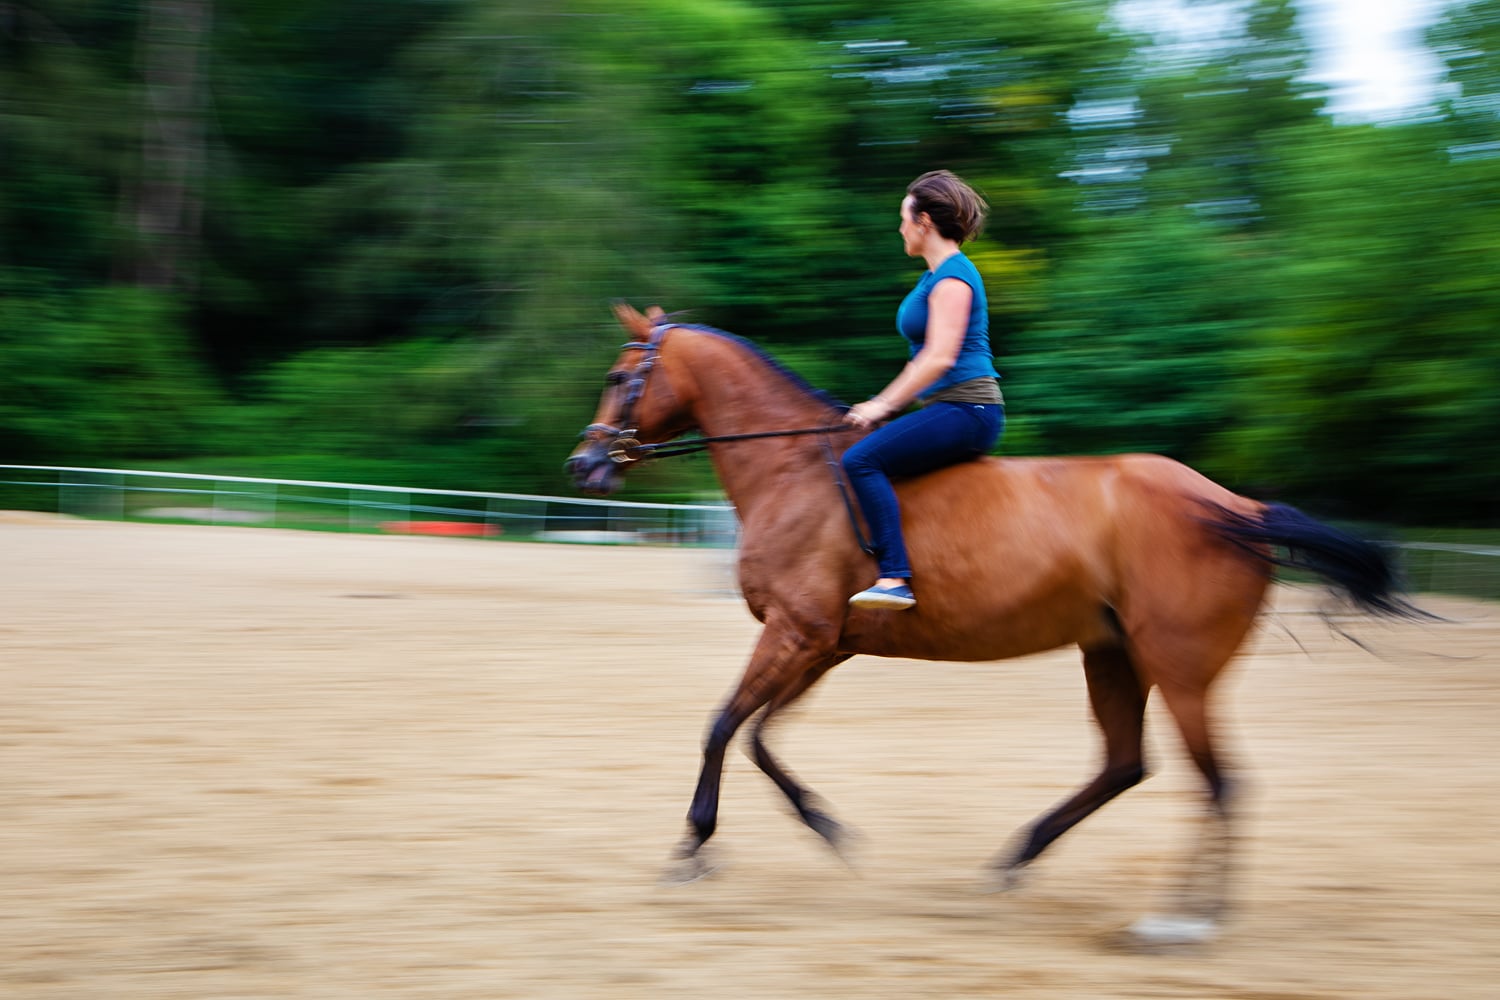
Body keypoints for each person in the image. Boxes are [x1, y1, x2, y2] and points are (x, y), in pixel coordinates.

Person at [843, 169, 1004, 611]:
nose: (899, 228)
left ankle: (894, 577)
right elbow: (921, 362)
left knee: (860, 460)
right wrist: (884, 404)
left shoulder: (953, 277)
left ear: (925, 221)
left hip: (969, 409)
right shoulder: (932, 277)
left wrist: (882, 404)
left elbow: (939, 358)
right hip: (948, 404)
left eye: (903, 218)